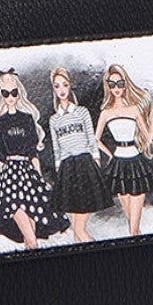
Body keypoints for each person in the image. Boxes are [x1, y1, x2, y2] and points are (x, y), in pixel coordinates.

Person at [0, 69, 68, 249]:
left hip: (28, 174)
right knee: (28, 232)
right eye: (6, 93)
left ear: (19, 93)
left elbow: (33, 153)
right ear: (1, 95)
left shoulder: (27, 119)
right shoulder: (0, 122)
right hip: (9, 177)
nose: (10, 97)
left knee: (31, 235)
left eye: (14, 92)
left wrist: (40, 178)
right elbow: (1, 156)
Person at [95, 62, 153, 236]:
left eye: (120, 83)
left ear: (125, 85)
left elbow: (147, 137)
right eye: (112, 84)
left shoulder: (134, 109)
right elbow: (95, 139)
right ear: (108, 87)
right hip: (118, 164)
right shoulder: (105, 112)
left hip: (136, 162)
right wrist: (109, 155)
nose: (116, 88)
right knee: (132, 224)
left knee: (133, 227)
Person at [46, 66, 108, 243]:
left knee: (79, 228)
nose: (61, 90)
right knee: (75, 226)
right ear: (53, 89)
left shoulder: (82, 112)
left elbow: (91, 137)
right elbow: (56, 147)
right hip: (67, 168)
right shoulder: (54, 119)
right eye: (57, 86)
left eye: (64, 85)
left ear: (70, 85)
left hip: (85, 164)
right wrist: (59, 168)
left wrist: (96, 159)